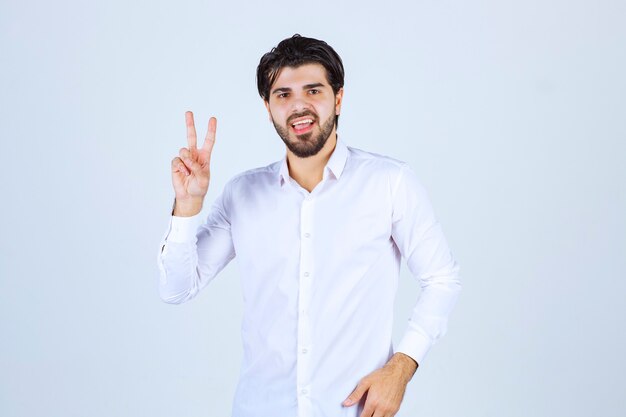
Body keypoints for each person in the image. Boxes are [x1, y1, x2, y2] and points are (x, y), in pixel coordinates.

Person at [157, 34, 462, 417]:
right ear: (267, 108)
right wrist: (187, 206)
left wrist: (401, 368)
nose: (298, 105)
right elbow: (176, 289)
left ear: (338, 98)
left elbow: (442, 279)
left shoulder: (389, 183)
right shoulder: (242, 194)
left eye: (313, 90)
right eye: (282, 94)